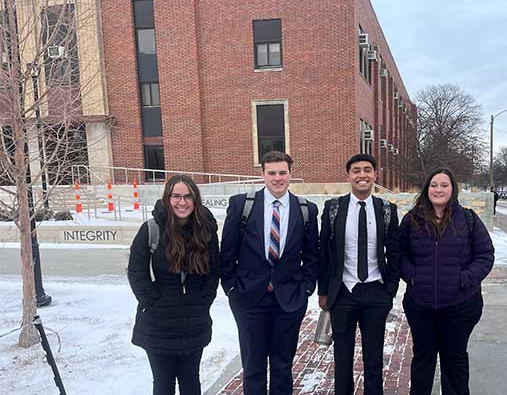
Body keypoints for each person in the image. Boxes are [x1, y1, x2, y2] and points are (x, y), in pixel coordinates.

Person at [220, 151, 319, 394]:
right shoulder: (242, 205)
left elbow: (312, 255)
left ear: (290, 174)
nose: (277, 178)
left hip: (289, 299)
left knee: (283, 365)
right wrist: (231, 288)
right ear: (262, 174)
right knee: (253, 365)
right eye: (271, 172)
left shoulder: (306, 209)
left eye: (282, 173)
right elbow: (227, 251)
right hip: (249, 298)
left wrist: (306, 288)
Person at [399, 168, 495, 395]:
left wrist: (464, 279)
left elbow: (485, 255)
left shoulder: (468, 219)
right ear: (427, 189)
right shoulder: (412, 219)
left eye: (444, 185)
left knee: (455, 359)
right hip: (420, 305)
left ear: (453, 189)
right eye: (434, 185)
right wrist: (413, 276)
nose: (439, 189)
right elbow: (398, 255)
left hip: (460, 306)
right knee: (423, 357)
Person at [127, 174, 220, 395]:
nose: (182, 202)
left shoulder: (206, 230)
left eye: (188, 196)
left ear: (195, 199)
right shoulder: (151, 229)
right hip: (159, 324)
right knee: (163, 383)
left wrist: (203, 302)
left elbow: (215, 270)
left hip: (194, 321)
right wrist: (152, 303)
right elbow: (136, 272)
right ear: (167, 198)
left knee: (191, 382)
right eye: (176, 196)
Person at [318, 154, 400, 395]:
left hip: (376, 292)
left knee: (373, 359)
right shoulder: (333, 208)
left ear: (375, 175)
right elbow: (324, 252)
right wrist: (323, 291)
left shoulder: (386, 209)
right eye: (356, 170)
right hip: (343, 292)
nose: (362, 174)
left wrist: (390, 289)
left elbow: (395, 252)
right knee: (342, 358)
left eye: (367, 170)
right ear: (348, 176)